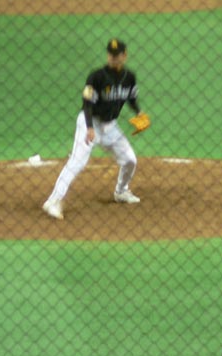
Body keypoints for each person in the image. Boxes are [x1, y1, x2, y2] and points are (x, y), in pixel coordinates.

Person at [43, 38, 149, 220]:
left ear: (124, 55)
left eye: (117, 54)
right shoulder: (97, 76)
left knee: (130, 159)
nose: (113, 57)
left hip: (110, 126)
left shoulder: (129, 77)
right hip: (89, 121)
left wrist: (139, 112)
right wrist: (90, 127)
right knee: (77, 162)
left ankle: (121, 191)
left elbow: (131, 99)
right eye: (110, 54)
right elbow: (87, 103)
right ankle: (53, 201)